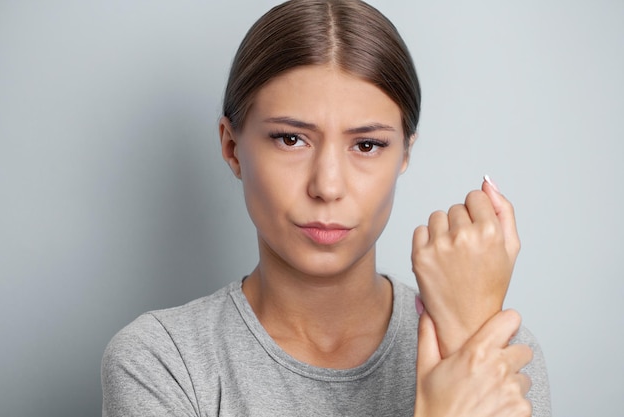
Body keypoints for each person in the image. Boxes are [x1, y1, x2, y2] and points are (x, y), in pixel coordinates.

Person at [102, 1, 551, 416]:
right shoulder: (162, 360)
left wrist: (468, 345)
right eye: (290, 139)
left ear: (404, 155)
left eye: (367, 144)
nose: (328, 186)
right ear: (232, 147)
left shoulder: (499, 353)